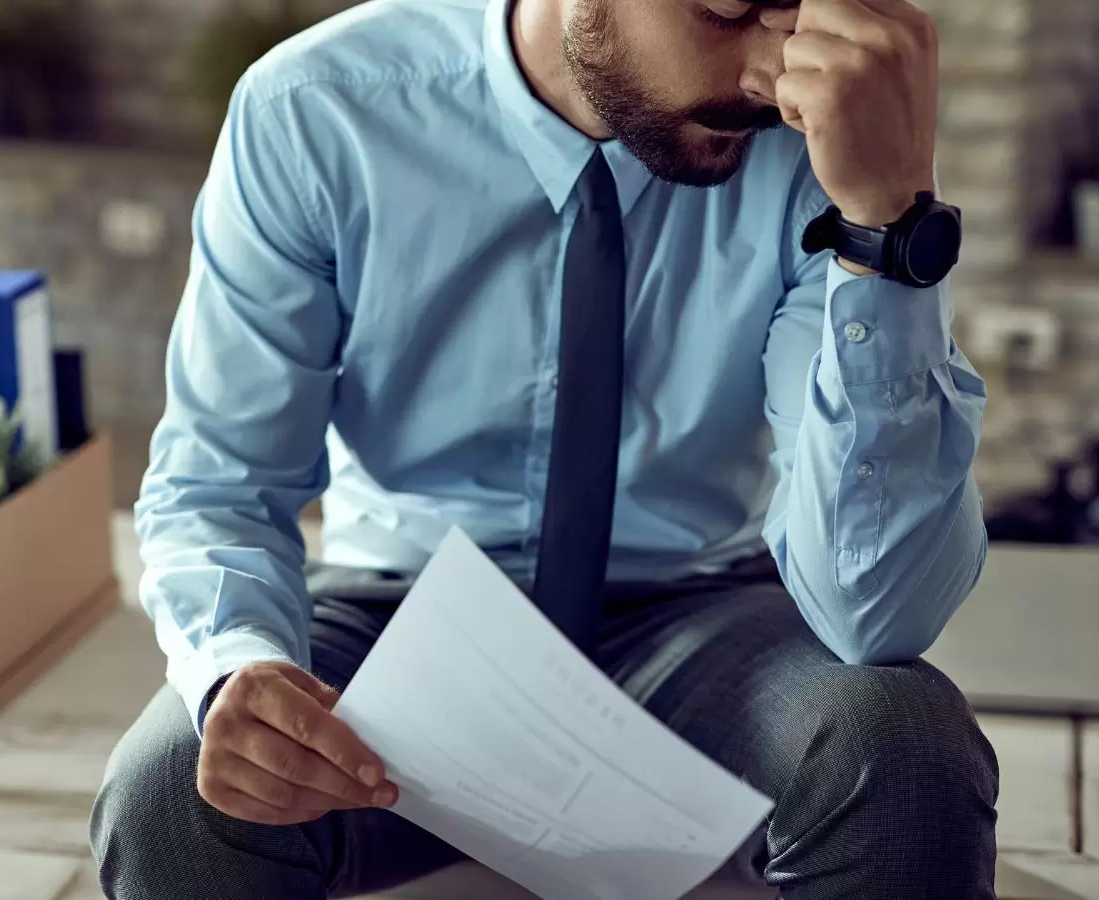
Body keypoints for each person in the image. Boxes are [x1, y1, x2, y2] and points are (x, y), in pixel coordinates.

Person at [93, 0, 998, 897]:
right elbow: (219, 481)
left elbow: (876, 616)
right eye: (728, 10)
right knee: (175, 790)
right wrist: (238, 665)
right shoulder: (316, 113)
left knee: (904, 742)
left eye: (801, 10)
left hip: (698, 619)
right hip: (396, 614)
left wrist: (886, 224)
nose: (775, 71)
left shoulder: (823, 143)